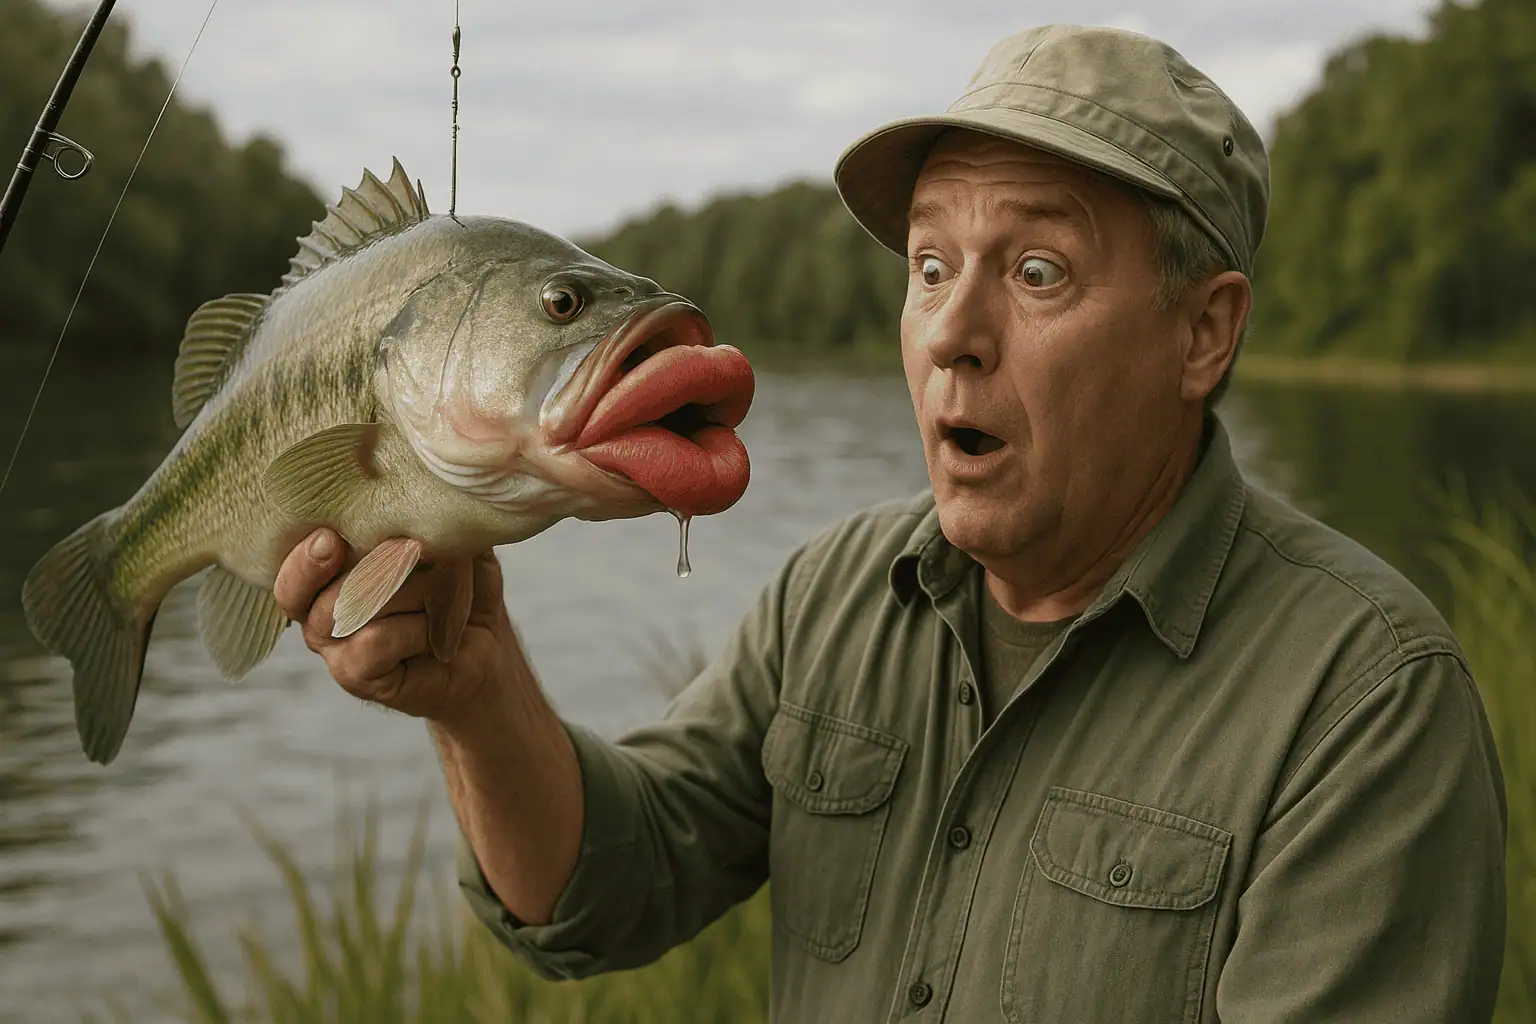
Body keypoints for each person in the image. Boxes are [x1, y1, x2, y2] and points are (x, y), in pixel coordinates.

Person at [272, 23, 1508, 1022]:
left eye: (1036, 274)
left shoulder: (1363, 704)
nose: (954, 333)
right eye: (928, 266)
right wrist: (479, 698)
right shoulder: (838, 592)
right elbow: (610, 888)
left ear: (1205, 332)